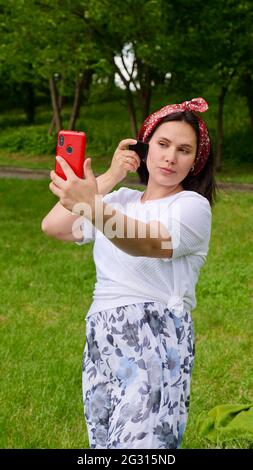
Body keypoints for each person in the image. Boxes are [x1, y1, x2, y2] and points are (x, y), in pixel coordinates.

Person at [41, 97, 217, 449]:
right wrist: (109, 178)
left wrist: (91, 205)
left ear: (195, 161)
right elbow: (55, 226)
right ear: (144, 146)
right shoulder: (119, 199)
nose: (170, 156)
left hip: (155, 334)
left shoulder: (192, 207)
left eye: (184, 150)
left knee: (142, 447)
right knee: (105, 446)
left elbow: (146, 244)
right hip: (102, 335)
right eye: (163, 144)